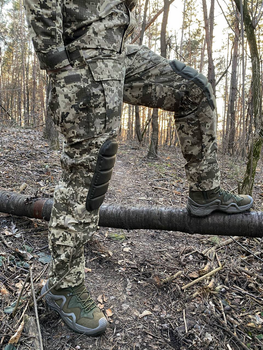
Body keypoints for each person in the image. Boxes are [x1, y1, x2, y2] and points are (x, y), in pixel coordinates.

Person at [24, 0, 253, 336]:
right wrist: (55, 61)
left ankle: (205, 191)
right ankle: (63, 284)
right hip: (82, 52)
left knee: (193, 89)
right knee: (91, 163)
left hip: (116, 47)